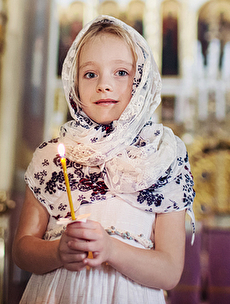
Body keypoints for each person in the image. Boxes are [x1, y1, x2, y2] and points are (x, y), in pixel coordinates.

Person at [14, 15, 195, 303]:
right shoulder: (51, 156)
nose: (104, 85)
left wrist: (111, 250)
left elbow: (169, 272)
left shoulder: (164, 156)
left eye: (121, 72)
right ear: (74, 83)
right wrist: (58, 252)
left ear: (141, 79)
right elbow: (23, 250)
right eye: (90, 74)